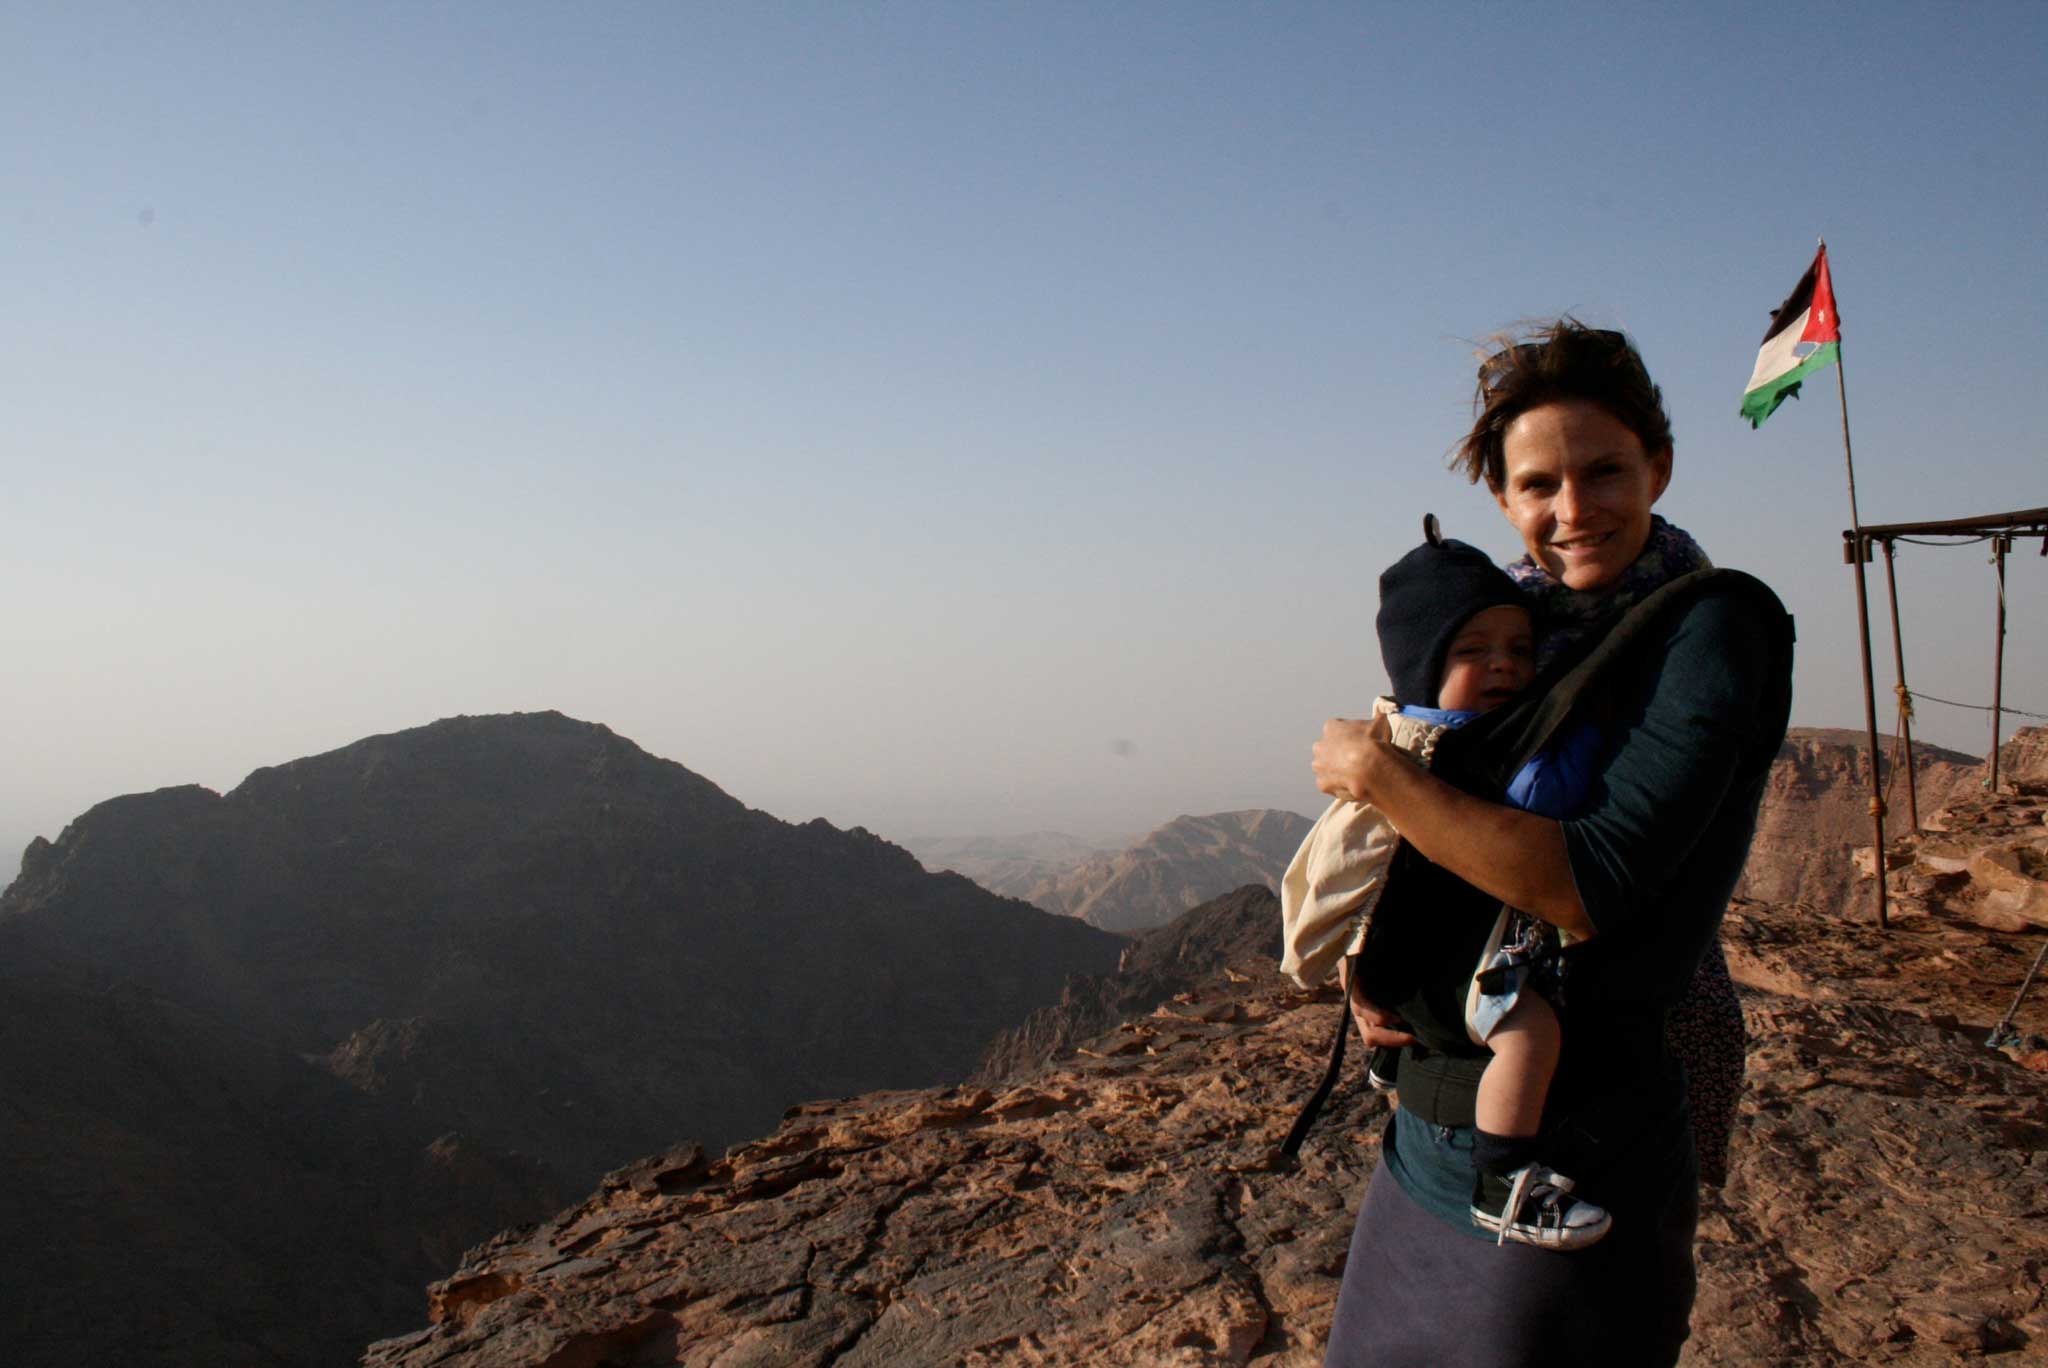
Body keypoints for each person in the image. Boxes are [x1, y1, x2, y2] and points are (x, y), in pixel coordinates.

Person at [1313, 320, 1794, 1367]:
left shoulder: (1704, 632)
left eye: (1604, 472)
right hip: (1427, 1145)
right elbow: (1444, 849)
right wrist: (1373, 960)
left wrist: (1377, 775)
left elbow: (1588, 885)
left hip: (1573, 1151)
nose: (1571, 511)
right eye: (1537, 485)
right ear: (1501, 499)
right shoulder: (1508, 632)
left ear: (1657, 468)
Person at [1279, 526, 1611, 1249]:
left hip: (1403, 964)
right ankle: (1506, 1179)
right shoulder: (1486, 752)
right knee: (1530, 1034)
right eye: (1472, 652)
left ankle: (1391, 1059)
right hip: (1453, 971)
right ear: (1422, 664)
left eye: (1519, 651)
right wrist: (1581, 733)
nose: (1503, 667)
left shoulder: (1391, 746)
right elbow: (1555, 801)